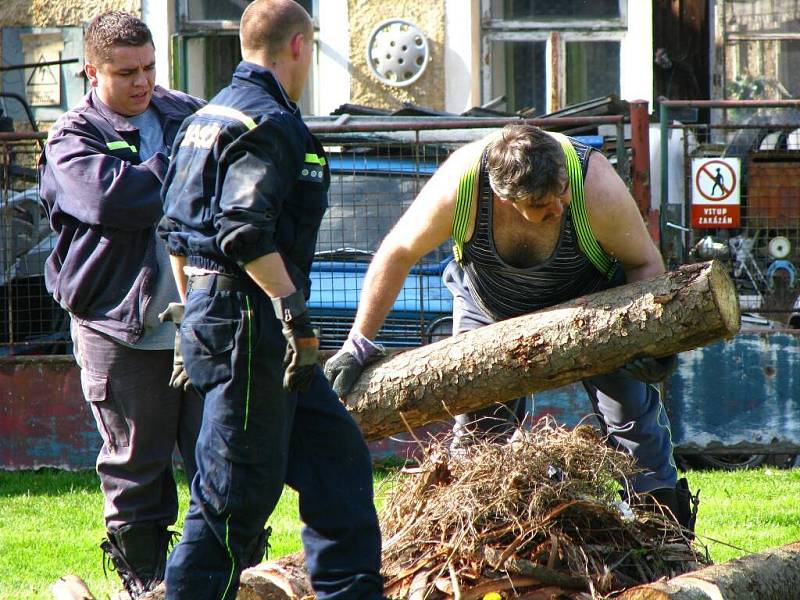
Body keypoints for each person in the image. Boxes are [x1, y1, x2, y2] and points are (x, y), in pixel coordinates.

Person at [325, 124, 696, 531]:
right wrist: (358, 343)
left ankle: (667, 542)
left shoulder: (594, 184)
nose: (558, 207)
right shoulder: (461, 184)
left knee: (636, 431)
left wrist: (651, 343)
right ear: (503, 197)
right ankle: (477, 554)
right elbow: (397, 252)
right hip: (488, 306)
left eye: (561, 193)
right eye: (542, 205)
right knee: (477, 445)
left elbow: (645, 261)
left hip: (593, 308)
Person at [158, 1, 385, 598]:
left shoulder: (204, 118)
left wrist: (192, 315)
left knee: (338, 461)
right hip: (256, 329)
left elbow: (175, 230)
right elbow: (243, 229)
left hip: (228, 321)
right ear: (300, 46)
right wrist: (294, 315)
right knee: (232, 500)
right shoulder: (270, 123)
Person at [37, 10, 205, 598]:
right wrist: (185, 167)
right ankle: (146, 586)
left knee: (222, 460)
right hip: (119, 328)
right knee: (137, 470)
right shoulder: (72, 137)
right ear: (92, 71)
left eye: (151, 67)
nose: (143, 82)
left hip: (199, 322)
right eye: (126, 71)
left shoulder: (184, 112)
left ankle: (223, 579)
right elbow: (118, 202)